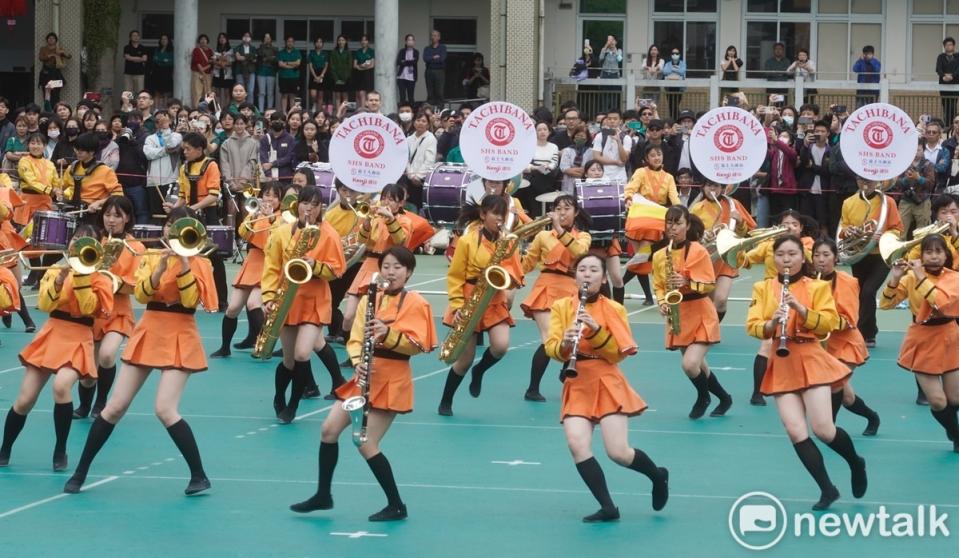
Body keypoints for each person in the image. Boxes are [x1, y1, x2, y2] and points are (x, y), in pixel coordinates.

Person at [63, 207, 218, 495]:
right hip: (149, 328)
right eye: (170, 225)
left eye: (179, 227)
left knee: (164, 408)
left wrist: (184, 265)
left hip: (181, 332)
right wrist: (160, 268)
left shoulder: (201, 264)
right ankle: (80, 471)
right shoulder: (150, 257)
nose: (172, 231)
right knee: (115, 406)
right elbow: (143, 294)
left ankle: (199, 475)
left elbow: (191, 300)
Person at [290, 246, 436, 521]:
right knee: (328, 430)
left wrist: (388, 334)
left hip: (392, 377)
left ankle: (396, 504)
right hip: (365, 376)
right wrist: (358, 361)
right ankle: (323, 494)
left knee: (366, 443)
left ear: (409, 272)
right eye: (387, 266)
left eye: (397, 268)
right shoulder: (372, 299)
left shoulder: (416, 302)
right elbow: (355, 337)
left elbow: (418, 345)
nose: (391, 272)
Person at [746, 234, 868, 510]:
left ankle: (855, 462)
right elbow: (752, 326)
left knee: (824, 429)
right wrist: (770, 324)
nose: (786, 260)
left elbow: (827, 324)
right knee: (795, 430)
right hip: (782, 361)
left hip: (811, 357)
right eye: (780, 255)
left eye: (792, 254)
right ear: (773, 258)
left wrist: (801, 310)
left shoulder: (817, 287)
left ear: (803, 257)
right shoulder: (762, 287)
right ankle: (827, 489)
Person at [545, 253, 669, 522]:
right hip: (576, 380)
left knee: (618, 452)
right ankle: (608, 508)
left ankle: (657, 476)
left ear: (603, 278)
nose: (586, 275)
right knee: (577, 444)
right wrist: (566, 344)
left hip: (606, 378)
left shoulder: (614, 308)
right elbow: (552, 348)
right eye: (581, 270)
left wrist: (597, 330)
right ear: (575, 275)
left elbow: (618, 354)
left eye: (593, 270)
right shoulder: (561, 307)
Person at [0, 224, 113, 472]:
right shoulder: (54, 269)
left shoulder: (102, 277)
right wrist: (60, 280)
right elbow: (44, 303)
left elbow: (90, 310)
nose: (79, 243)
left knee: (62, 386)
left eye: (87, 240)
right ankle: (5, 447)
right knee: (24, 400)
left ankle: (60, 449)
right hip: (52, 331)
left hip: (79, 336)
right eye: (77, 238)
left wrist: (82, 277)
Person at [261, 186, 346, 422]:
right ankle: (279, 396)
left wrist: (314, 264)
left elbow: (337, 269)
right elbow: (271, 267)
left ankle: (293, 404)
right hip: (288, 298)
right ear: (297, 204)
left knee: (302, 353)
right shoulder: (281, 233)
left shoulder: (328, 234)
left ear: (321, 208)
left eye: (315, 204)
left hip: (315, 299)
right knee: (288, 360)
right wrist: (268, 296)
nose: (309, 208)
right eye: (305, 203)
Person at [439, 195, 524, 416]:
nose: (499, 219)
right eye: (495, 213)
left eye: (502, 214)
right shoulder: (467, 241)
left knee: (501, 346)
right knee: (464, 359)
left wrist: (506, 271)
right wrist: (457, 306)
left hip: (494, 298)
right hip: (469, 297)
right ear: (483, 215)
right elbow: (455, 275)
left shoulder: (508, 241)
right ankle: (446, 400)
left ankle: (480, 371)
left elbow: (517, 274)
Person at [880, 234, 959, 453]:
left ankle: (955, 433)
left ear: (946, 255)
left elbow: (940, 303)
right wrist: (895, 278)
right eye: (928, 252)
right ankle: (956, 435)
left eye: (938, 252)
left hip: (950, 336)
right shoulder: (910, 278)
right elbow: (886, 305)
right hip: (922, 339)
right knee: (937, 401)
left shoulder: (954, 278)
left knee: (955, 398)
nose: (933, 257)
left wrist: (919, 275)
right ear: (921, 254)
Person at [652, 206, 732, 418]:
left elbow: (708, 285)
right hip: (678, 312)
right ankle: (724, 397)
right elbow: (659, 285)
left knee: (689, 364)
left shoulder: (698, 251)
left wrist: (687, 281)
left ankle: (703, 397)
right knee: (699, 365)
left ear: (687, 226)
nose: (673, 227)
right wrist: (662, 302)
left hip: (701, 310)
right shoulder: (660, 255)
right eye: (669, 222)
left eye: (678, 223)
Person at [74, 197, 142, 419]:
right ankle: (84, 406)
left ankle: (101, 402)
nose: (111, 220)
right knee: (87, 373)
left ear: (128, 218)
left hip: (118, 311)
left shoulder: (136, 247)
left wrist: (112, 281)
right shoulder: (94, 240)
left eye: (117, 215)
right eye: (107, 214)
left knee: (107, 355)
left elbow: (135, 286)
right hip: (92, 310)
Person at [520, 195, 591, 402]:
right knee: (550, 338)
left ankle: (565, 368)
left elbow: (579, 251)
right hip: (546, 287)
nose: (562, 212)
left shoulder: (583, 236)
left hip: (571, 290)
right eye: (558, 208)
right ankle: (532, 388)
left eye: (567, 208)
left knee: (572, 336)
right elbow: (526, 265)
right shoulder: (542, 236)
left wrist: (559, 230)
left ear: (576, 212)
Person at [812, 238, 881, 436]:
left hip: (846, 342)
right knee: (846, 397)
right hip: (824, 344)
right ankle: (872, 417)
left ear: (835, 258)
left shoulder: (847, 282)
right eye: (816, 255)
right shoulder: (809, 281)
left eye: (826, 255)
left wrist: (818, 320)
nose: (821, 260)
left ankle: (829, 428)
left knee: (833, 384)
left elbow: (849, 318)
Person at [341, 185, 413, 362]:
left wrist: (390, 220)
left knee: (373, 316)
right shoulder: (375, 218)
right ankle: (353, 351)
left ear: (400, 203)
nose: (386, 202)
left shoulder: (405, 221)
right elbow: (362, 241)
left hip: (387, 268)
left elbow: (400, 241)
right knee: (349, 316)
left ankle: (366, 354)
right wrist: (366, 223)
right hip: (368, 265)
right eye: (384, 198)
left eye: (391, 199)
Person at [210, 183, 282, 357]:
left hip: (269, 264)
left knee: (253, 304)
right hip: (252, 260)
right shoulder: (256, 214)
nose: (269, 199)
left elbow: (278, 240)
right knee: (233, 308)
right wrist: (253, 216)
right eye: (266, 194)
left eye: (274, 196)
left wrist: (271, 218)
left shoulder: (283, 218)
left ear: (280, 200)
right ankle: (224, 347)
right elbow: (243, 233)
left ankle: (263, 345)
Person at [839, 178, 903, 348]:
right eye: (861, 180)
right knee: (862, 294)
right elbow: (843, 230)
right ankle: (870, 331)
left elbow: (897, 229)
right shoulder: (848, 202)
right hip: (859, 255)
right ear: (857, 180)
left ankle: (862, 333)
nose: (866, 183)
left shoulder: (887, 202)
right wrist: (849, 232)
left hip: (881, 255)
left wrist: (881, 236)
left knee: (868, 291)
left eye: (870, 180)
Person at [690, 180, 757, 322]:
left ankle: (713, 329)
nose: (712, 189)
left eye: (716, 186)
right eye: (708, 185)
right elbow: (690, 235)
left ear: (722, 188)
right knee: (708, 302)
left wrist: (740, 222)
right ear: (703, 187)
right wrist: (702, 235)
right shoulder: (697, 208)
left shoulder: (733, 205)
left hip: (726, 258)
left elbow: (748, 233)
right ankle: (708, 330)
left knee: (720, 301)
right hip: (706, 259)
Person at [61, 132, 124, 224]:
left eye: (82, 150)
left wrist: (99, 203)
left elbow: (118, 195)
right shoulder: (71, 168)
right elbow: (62, 186)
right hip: (71, 211)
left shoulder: (105, 171)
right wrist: (59, 192)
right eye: (76, 149)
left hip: (93, 214)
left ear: (92, 152)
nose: (78, 152)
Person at [404, 112, 437, 209]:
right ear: (414, 122)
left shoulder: (431, 139)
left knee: (420, 206)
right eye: (418, 120)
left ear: (427, 124)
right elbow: (406, 159)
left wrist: (418, 177)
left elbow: (429, 161)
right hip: (409, 178)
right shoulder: (408, 139)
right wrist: (410, 174)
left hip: (422, 180)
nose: (420, 123)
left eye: (424, 121)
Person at [38, 33, 70, 106]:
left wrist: (63, 52)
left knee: (56, 93)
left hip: (56, 73)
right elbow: (41, 58)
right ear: (47, 40)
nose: (51, 40)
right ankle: (48, 109)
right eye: (49, 38)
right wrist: (50, 55)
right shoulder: (43, 48)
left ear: (56, 40)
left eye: (53, 38)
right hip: (46, 73)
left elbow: (69, 56)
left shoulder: (59, 49)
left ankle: (56, 109)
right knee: (46, 91)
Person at [278, 36, 302, 114]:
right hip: (283, 76)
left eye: (291, 41)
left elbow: (298, 63)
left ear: (294, 43)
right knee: (284, 95)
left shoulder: (297, 52)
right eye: (288, 41)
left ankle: (291, 112)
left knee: (292, 95)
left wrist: (287, 63)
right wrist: (292, 65)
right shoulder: (281, 52)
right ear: (286, 42)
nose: (290, 43)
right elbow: (280, 64)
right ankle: (284, 112)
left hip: (294, 76)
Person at [937, 38, 959, 125]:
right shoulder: (941, 57)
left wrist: (952, 76)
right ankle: (947, 125)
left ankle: (953, 125)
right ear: (944, 46)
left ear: (953, 46)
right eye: (946, 45)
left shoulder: (958, 56)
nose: (948, 46)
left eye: (950, 44)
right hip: (944, 84)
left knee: (953, 105)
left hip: (955, 85)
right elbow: (938, 69)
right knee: (945, 105)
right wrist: (943, 76)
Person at [256, 33, 279, 112]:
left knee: (270, 93)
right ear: (263, 39)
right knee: (261, 93)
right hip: (261, 72)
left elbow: (276, 60)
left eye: (269, 37)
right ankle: (261, 111)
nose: (267, 39)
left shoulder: (275, 49)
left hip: (271, 72)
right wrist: (271, 57)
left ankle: (269, 110)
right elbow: (260, 55)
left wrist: (267, 58)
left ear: (271, 39)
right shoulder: (260, 48)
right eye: (265, 38)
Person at [424, 30, 447, 106]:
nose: (433, 37)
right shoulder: (427, 48)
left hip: (439, 71)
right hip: (429, 71)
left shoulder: (442, 48)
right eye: (432, 35)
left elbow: (442, 59)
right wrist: (434, 57)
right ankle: (431, 110)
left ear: (439, 37)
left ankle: (440, 109)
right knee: (430, 92)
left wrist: (431, 58)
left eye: (435, 35)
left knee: (439, 92)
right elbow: (425, 59)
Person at [329, 35, 352, 109]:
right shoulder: (334, 52)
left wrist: (345, 78)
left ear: (345, 42)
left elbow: (349, 66)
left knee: (345, 96)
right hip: (336, 78)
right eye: (339, 40)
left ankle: (344, 114)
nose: (341, 42)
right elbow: (332, 65)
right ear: (337, 42)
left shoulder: (348, 52)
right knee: (337, 96)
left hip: (345, 78)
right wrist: (336, 79)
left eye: (343, 40)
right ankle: (338, 115)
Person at [212, 33, 235, 108]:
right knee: (217, 92)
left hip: (227, 73)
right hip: (217, 73)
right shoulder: (216, 50)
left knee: (226, 92)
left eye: (223, 37)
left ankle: (226, 108)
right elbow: (213, 60)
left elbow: (232, 61)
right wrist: (220, 62)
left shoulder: (231, 50)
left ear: (227, 39)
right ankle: (218, 108)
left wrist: (223, 62)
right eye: (220, 38)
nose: (222, 39)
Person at [352, 35, 375, 108]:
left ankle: (363, 110)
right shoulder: (358, 52)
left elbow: (372, 65)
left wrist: (362, 67)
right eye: (362, 40)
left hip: (368, 74)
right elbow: (355, 65)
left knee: (364, 93)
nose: (363, 42)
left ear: (368, 42)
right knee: (358, 93)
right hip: (358, 74)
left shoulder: (371, 51)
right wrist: (360, 67)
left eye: (365, 40)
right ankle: (358, 111)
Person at [395, 34, 419, 105]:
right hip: (401, 77)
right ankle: (402, 114)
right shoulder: (402, 51)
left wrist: (404, 61)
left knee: (411, 97)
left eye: (412, 40)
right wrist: (409, 62)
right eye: (409, 40)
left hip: (411, 77)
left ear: (414, 42)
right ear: (406, 42)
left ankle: (412, 113)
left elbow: (414, 61)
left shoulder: (416, 52)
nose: (410, 41)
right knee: (402, 97)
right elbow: (399, 62)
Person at [190, 34, 214, 105]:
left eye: (205, 39)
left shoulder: (210, 51)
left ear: (207, 41)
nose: (203, 41)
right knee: (197, 93)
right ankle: (197, 110)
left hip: (208, 74)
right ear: (199, 41)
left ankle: (207, 110)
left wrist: (205, 69)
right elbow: (197, 63)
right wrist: (203, 71)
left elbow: (212, 62)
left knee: (208, 93)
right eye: (201, 39)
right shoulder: (196, 50)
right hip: (198, 74)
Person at [308, 37, 329, 112]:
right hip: (314, 74)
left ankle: (318, 111)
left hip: (322, 74)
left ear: (322, 44)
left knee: (320, 95)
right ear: (314, 43)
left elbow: (326, 65)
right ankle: (314, 104)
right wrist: (315, 76)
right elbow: (310, 66)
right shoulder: (311, 53)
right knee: (313, 95)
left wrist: (321, 75)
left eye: (320, 42)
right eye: (317, 42)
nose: (319, 43)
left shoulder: (325, 53)